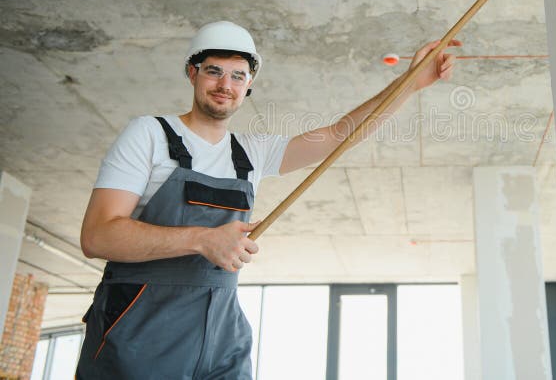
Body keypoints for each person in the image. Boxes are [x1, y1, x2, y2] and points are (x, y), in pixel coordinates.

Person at [75, 20, 460, 379]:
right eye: (214, 71)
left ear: (248, 86)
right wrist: (202, 239)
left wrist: (410, 81)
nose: (225, 83)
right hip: (139, 329)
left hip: (222, 332)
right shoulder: (150, 134)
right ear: (192, 73)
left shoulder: (251, 152)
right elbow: (97, 237)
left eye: (238, 75)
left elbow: (342, 134)